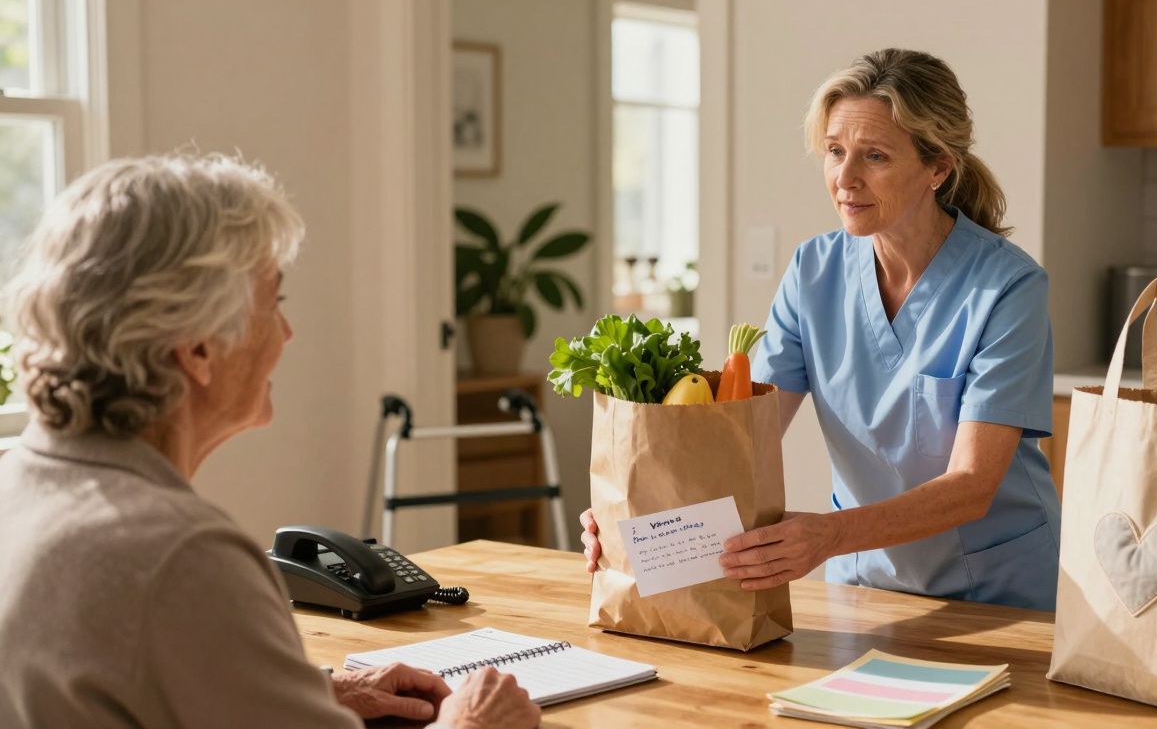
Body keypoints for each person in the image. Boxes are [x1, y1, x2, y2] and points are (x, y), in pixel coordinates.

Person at [0, 153, 540, 728]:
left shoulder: (17, 485)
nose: (287, 332)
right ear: (200, 348)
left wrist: (319, 693)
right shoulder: (184, 558)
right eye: (274, 302)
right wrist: (474, 724)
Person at [582, 49, 1060, 611]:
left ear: (938, 168)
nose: (845, 179)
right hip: (866, 585)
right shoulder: (814, 271)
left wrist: (830, 535)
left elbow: (974, 484)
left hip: (998, 594)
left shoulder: (1009, 287)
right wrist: (638, 511)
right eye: (835, 152)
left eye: (875, 156)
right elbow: (739, 439)